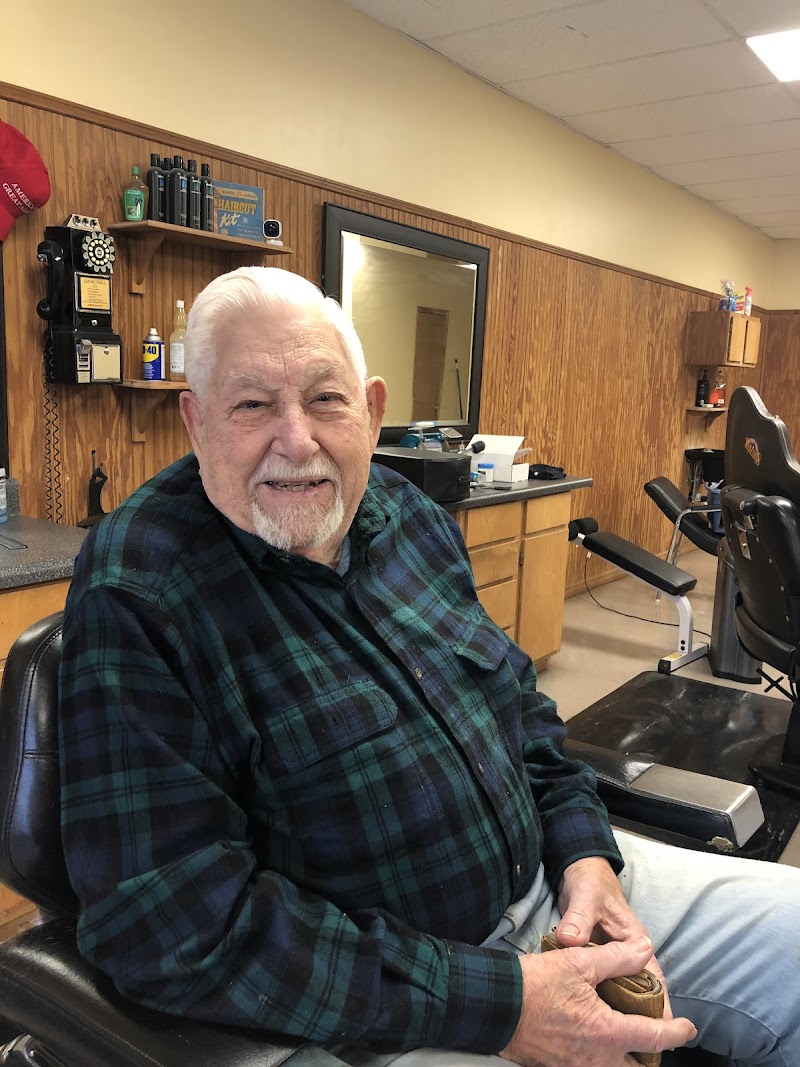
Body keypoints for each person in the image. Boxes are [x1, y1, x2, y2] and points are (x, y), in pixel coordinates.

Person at [58, 266, 800, 1067]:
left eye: (325, 398)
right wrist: (505, 1003)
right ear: (195, 421)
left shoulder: (408, 516)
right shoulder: (141, 589)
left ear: (372, 411)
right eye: (251, 405)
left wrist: (588, 855)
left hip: (555, 888)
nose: (297, 439)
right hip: (383, 1010)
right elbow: (168, 922)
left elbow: (520, 711)